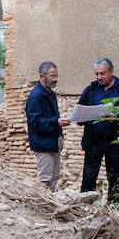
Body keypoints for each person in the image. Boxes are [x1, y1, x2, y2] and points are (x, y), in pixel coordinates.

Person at [77, 58, 119, 203]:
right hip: (94, 140)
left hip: (115, 140)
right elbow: (79, 113)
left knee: (115, 177)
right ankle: (85, 208)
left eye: (102, 73)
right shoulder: (90, 90)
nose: (99, 77)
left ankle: (114, 209)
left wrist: (117, 117)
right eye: (96, 74)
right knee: (89, 176)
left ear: (111, 71)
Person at [25, 61, 70, 191]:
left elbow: (55, 115)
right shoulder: (36, 96)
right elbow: (35, 123)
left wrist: (59, 135)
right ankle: (41, 207)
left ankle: (50, 205)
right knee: (45, 178)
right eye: (52, 76)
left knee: (55, 176)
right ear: (41, 76)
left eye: (56, 76)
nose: (55, 79)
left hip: (53, 141)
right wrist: (56, 122)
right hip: (43, 143)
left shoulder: (50, 93)